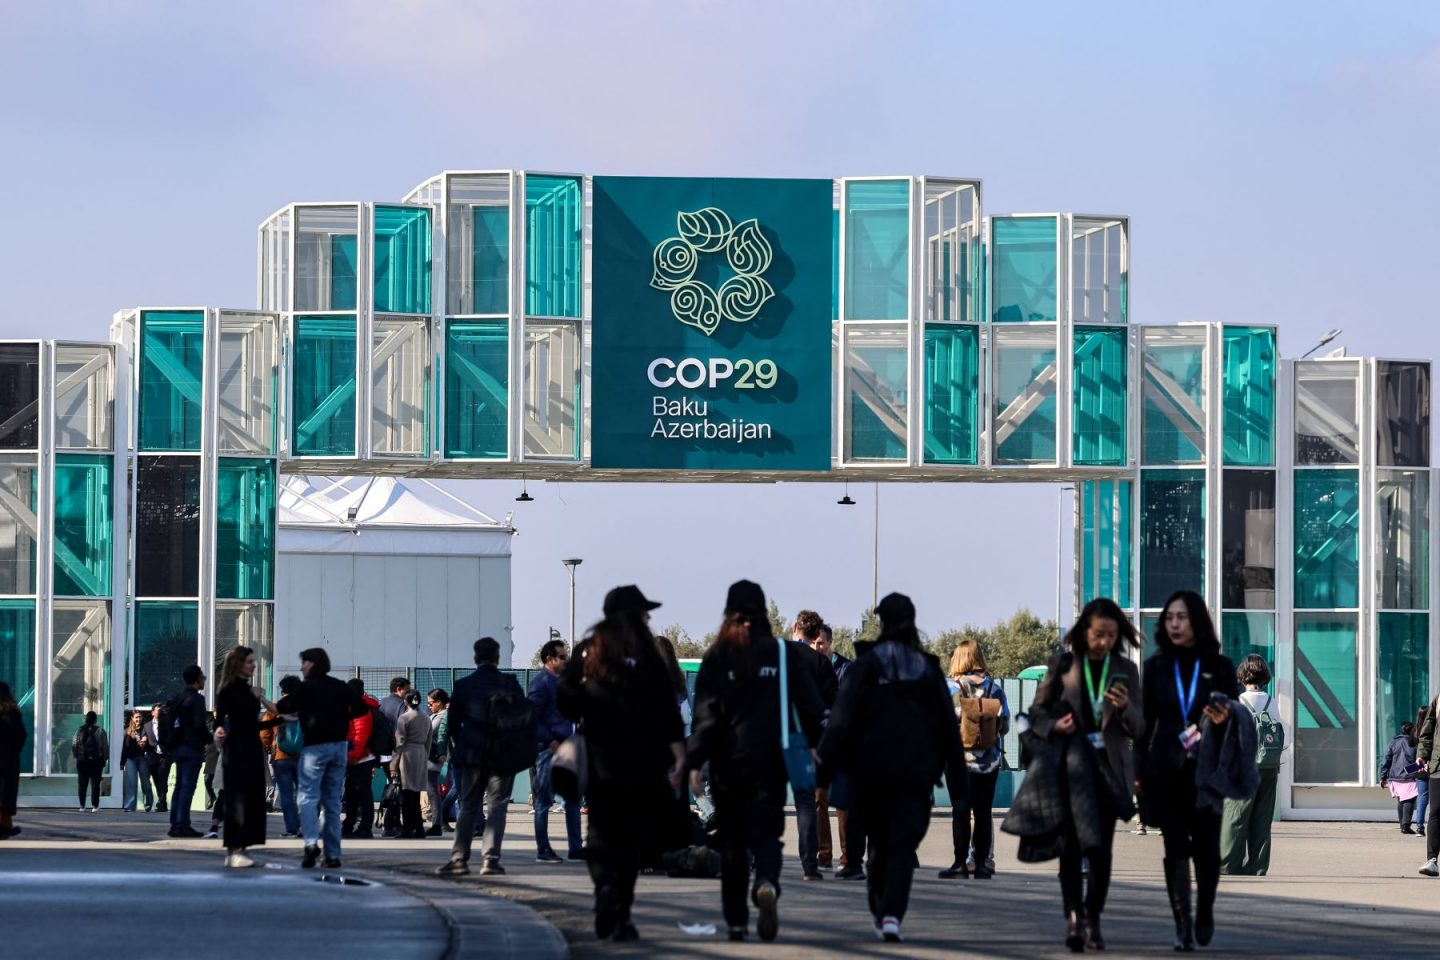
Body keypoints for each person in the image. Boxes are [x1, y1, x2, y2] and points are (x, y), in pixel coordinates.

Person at [818, 592, 961, 944]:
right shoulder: (926, 670)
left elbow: (840, 721)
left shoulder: (865, 667)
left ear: (881, 623)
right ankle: (891, 914)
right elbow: (947, 729)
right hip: (915, 772)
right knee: (898, 845)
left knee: (880, 843)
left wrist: (823, 769)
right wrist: (960, 788)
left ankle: (882, 908)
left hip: (869, 771)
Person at [688, 580, 825, 943]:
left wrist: (692, 763)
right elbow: (810, 706)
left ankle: (735, 922)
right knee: (767, 834)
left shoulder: (718, 657)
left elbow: (704, 717)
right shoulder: (782, 654)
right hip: (770, 761)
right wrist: (811, 743)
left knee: (732, 843)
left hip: (727, 763)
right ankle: (766, 882)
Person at [559, 585, 686, 942]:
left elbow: (565, 695)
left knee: (599, 830)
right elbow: (666, 705)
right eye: (644, 612)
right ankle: (624, 915)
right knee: (631, 838)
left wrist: (586, 708)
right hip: (642, 761)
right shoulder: (647, 654)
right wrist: (678, 752)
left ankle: (603, 888)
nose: (648, 617)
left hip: (600, 757)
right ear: (633, 615)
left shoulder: (589, 650)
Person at [1021, 598, 1142, 951]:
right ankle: (1073, 916)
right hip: (1070, 768)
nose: (1104, 641)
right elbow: (1036, 712)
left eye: (1111, 635)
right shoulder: (1064, 665)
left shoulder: (1126, 670)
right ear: (1084, 631)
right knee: (1071, 848)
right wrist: (1054, 724)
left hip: (1109, 770)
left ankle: (1093, 918)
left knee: (1101, 849)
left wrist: (1125, 708)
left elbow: (1140, 726)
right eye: (1098, 634)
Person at [1136, 590, 1238, 951]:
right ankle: (1182, 922)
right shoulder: (1155, 667)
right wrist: (1138, 774)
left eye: (1182, 617)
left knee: (1207, 851)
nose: (1175, 624)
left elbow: (1233, 719)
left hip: (1207, 775)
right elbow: (1143, 725)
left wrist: (1223, 718)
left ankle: (1205, 910)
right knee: (1175, 846)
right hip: (1165, 773)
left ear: (1197, 620)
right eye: (1169, 618)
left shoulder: (1221, 667)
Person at [436, 636, 524, 878]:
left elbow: (452, 724)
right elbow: (522, 719)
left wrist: (462, 744)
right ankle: (491, 860)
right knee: (497, 806)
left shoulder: (464, 686)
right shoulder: (510, 683)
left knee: (468, 806)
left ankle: (459, 859)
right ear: (498, 658)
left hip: (472, 755)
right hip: (502, 756)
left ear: (476, 658)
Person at [274, 647, 369, 869]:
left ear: (312, 664)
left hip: (315, 747)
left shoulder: (305, 688)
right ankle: (332, 854)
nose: (301, 667)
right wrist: (341, 716)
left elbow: (283, 707)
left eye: (304, 663)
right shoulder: (339, 686)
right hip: (338, 747)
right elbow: (362, 708)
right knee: (332, 801)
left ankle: (310, 842)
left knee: (307, 797)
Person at [939, 639, 1011, 881]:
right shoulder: (995, 689)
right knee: (983, 812)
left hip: (958, 761)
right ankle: (981, 864)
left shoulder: (952, 688)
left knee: (960, 811)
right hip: (989, 760)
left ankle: (960, 863)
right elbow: (1005, 726)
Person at [215, 645, 279, 868]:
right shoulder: (231, 689)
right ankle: (234, 849)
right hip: (238, 749)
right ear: (238, 663)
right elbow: (227, 718)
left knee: (250, 799)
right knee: (238, 800)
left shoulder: (245, 689)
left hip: (249, 746)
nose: (254, 665)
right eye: (249, 661)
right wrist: (219, 729)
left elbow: (252, 723)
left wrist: (280, 719)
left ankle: (240, 848)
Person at [1221, 655, 1282, 875]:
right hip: (1269, 766)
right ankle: (1257, 866)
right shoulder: (1271, 701)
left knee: (1235, 815)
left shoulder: (1238, 702)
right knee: (1262, 818)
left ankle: (1229, 864)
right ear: (1264, 675)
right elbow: (1285, 735)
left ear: (1242, 675)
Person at [789, 609, 839, 880]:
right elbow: (833, 705)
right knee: (805, 802)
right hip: (805, 741)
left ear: (795, 626)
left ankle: (756, 859)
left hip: (771, 736)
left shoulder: (777, 654)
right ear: (816, 633)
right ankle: (810, 865)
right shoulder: (820, 663)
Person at [528, 639, 584, 862]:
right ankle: (543, 849)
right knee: (544, 801)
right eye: (562, 657)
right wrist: (551, 742)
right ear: (549, 660)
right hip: (549, 751)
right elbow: (532, 717)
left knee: (573, 800)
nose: (566, 660)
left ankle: (576, 847)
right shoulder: (541, 683)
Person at [810, 623, 851, 872]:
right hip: (818, 744)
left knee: (843, 801)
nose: (817, 647)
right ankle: (824, 854)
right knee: (818, 800)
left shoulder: (846, 669)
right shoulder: (809, 669)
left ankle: (848, 854)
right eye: (813, 643)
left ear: (830, 643)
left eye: (821, 643)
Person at [166, 665, 210, 837]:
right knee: (187, 787)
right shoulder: (197, 699)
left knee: (179, 786)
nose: (205, 679)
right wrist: (209, 739)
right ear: (198, 679)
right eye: (203, 676)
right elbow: (199, 724)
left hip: (178, 747)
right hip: (193, 747)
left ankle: (175, 823)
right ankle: (183, 824)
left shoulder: (179, 697)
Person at [342, 678, 380, 839]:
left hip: (361, 757)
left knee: (362, 794)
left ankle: (364, 827)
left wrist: (353, 756)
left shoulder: (362, 708)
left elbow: (360, 734)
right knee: (352, 793)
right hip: (359, 756)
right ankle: (349, 825)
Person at [377, 676, 413, 838]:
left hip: (383, 753)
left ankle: (391, 823)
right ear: (399, 688)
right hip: (397, 753)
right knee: (399, 789)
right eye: (407, 688)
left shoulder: (381, 703)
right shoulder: (402, 706)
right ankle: (391, 823)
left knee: (392, 786)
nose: (409, 692)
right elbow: (403, 733)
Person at [394, 690, 432, 839]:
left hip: (407, 755)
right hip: (421, 754)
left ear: (406, 702)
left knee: (407, 794)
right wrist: (424, 756)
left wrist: (393, 765)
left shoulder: (404, 718)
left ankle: (408, 829)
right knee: (416, 794)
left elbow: (399, 743)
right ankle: (419, 828)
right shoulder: (426, 718)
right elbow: (429, 741)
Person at [269, 676, 303, 838]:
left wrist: (270, 747)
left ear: (283, 690)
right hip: (303, 757)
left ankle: (291, 828)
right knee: (306, 793)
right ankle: (305, 823)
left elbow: (264, 734)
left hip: (281, 757)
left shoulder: (275, 709)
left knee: (287, 795)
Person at [1381, 721, 1421, 834]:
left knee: (1401, 800)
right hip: (1409, 776)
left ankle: (1402, 825)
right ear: (1412, 730)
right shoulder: (1414, 743)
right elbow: (1419, 760)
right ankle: (1405, 826)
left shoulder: (1393, 742)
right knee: (1409, 800)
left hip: (1395, 776)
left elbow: (1386, 760)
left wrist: (1382, 777)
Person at [0, 681, 26, 838]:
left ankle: (5, 826)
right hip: (8, 760)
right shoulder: (12, 712)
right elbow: (21, 735)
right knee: (6, 794)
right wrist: (13, 751)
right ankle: (5, 826)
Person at [425, 688, 450, 836]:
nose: (429, 706)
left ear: (439, 702)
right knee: (431, 790)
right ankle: (437, 823)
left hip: (433, 757)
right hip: (431, 756)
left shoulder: (442, 716)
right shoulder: (436, 714)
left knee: (432, 790)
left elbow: (428, 731)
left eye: (431, 703)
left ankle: (437, 824)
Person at [72, 710, 108, 811]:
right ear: (95, 719)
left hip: (82, 761)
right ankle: (95, 806)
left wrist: (77, 756)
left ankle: (82, 806)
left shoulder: (79, 730)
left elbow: (74, 744)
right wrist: (104, 759)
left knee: (82, 784)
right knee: (95, 784)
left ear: (86, 719)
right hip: (96, 762)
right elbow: (104, 746)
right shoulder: (100, 731)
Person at [121, 712, 154, 812]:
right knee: (131, 783)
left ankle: (148, 805)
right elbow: (124, 748)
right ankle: (130, 806)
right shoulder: (127, 731)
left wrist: (146, 743)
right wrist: (122, 762)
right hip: (130, 759)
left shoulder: (146, 729)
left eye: (139, 717)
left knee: (146, 783)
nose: (138, 719)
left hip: (143, 758)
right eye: (136, 717)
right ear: (132, 718)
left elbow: (152, 745)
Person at [144, 703, 170, 813]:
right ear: (152, 712)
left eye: (161, 710)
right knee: (156, 779)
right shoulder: (147, 725)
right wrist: (143, 741)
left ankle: (161, 801)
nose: (159, 712)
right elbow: (145, 738)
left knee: (163, 778)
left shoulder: (168, 724)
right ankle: (163, 803)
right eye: (157, 710)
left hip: (165, 755)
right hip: (152, 756)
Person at [1416, 705, 1431, 837]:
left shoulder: (1415, 732)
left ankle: (1419, 827)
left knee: (1422, 798)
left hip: (1419, 769)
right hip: (1433, 767)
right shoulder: (1432, 730)